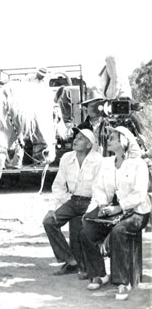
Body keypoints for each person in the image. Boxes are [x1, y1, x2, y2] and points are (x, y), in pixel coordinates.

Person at [80, 126, 151, 300]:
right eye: (109, 137)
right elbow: (98, 187)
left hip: (136, 211)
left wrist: (120, 208)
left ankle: (122, 282)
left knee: (118, 231)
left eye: (113, 137)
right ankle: (99, 273)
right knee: (86, 231)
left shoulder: (138, 164)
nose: (108, 140)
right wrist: (103, 204)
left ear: (124, 142)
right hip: (111, 209)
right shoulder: (106, 163)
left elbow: (140, 194)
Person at [43, 128, 103, 278]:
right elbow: (58, 185)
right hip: (72, 200)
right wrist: (52, 208)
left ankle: (81, 266)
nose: (75, 140)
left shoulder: (98, 161)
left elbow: (98, 190)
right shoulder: (66, 158)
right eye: (75, 137)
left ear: (89, 145)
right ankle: (70, 260)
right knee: (49, 221)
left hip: (90, 202)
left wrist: (88, 212)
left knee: (78, 232)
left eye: (81, 138)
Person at [77, 87, 106, 154]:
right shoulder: (81, 128)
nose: (92, 109)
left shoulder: (109, 127)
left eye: (95, 106)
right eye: (90, 106)